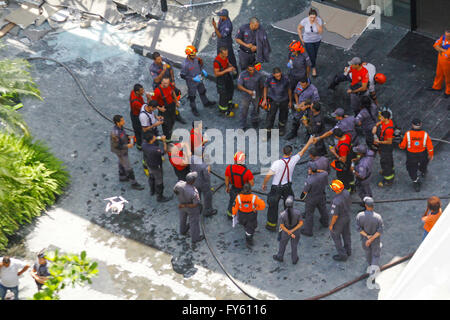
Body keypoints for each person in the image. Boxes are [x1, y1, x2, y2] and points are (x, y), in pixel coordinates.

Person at [262, 137, 314, 231]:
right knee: (289, 205)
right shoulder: (293, 160)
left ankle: (271, 225)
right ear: (291, 153)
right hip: (287, 187)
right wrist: (309, 142)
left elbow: (268, 176)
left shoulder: (276, 163)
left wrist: (264, 184)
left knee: (273, 206)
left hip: (276, 187)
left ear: (283, 151)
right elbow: (302, 151)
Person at [149, 52, 186, 124]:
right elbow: (156, 80)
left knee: (176, 93)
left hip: (169, 84)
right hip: (160, 87)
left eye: (160, 58)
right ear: (154, 60)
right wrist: (163, 70)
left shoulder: (164, 60)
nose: (160, 60)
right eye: (158, 59)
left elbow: (171, 70)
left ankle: (176, 114)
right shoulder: (152, 68)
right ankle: (163, 117)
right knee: (162, 103)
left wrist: (172, 80)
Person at [110, 115, 144, 190]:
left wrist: (128, 137)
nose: (124, 121)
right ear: (118, 123)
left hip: (123, 150)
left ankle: (122, 176)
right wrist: (127, 146)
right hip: (120, 151)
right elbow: (117, 146)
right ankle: (134, 183)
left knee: (121, 162)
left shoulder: (120, 127)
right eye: (122, 120)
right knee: (128, 167)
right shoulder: (115, 133)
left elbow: (123, 134)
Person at [398, 118, 434, 192]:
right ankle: (423, 171)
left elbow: (402, 146)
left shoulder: (408, 134)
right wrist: (431, 155)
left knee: (411, 168)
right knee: (424, 163)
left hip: (411, 155)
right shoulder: (425, 134)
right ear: (420, 124)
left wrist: (400, 143)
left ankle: (415, 181)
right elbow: (430, 147)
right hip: (422, 154)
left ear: (412, 125)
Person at [180, 45, 216, 116]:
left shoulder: (196, 59)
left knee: (202, 91)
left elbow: (200, 66)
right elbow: (183, 76)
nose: (194, 56)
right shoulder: (185, 65)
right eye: (193, 55)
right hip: (191, 84)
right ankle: (194, 109)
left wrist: (202, 70)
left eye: (195, 54)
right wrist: (192, 78)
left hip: (199, 80)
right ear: (188, 54)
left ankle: (206, 103)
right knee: (192, 97)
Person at [173, 172, 205, 245]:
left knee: (182, 218)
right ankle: (195, 238)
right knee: (194, 222)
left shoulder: (179, 184)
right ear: (193, 181)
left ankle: (183, 231)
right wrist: (186, 205)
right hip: (191, 208)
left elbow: (175, 191)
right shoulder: (194, 192)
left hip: (181, 205)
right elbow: (195, 204)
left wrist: (182, 203)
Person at [286, 75, 320, 141]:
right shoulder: (299, 84)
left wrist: (306, 106)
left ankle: (308, 135)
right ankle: (293, 132)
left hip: (309, 108)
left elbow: (316, 102)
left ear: (307, 83)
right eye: (301, 85)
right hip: (300, 106)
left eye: (304, 85)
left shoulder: (313, 89)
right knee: (296, 119)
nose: (302, 86)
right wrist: (297, 103)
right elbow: (295, 93)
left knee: (309, 121)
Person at [299, 162, 329, 237]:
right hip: (321, 196)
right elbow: (325, 172)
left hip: (312, 199)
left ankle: (308, 231)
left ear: (310, 170)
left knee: (309, 214)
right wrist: (317, 171)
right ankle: (325, 223)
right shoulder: (323, 175)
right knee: (323, 209)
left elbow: (305, 192)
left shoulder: (309, 180)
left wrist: (302, 197)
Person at [232, 183, 266, 248]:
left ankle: (247, 231)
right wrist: (256, 208)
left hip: (242, 215)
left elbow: (235, 207)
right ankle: (249, 240)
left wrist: (234, 215)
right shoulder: (254, 197)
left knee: (245, 225)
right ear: (250, 189)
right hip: (251, 215)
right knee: (250, 229)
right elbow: (263, 206)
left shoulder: (238, 197)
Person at [261, 67, 292, 137]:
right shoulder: (269, 78)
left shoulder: (286, 79)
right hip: (273, 100)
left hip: (284, 100)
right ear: (273, 74)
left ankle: (281, 129)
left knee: (283, 116)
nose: (278, 77)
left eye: (280, 75)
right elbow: (265, 87)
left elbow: (289, 90)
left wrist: (290, 101)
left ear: (281, 73)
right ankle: (268, 133)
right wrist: (264, 99)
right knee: (270, 116)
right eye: (277, 76)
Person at [142, 132, 172, 202]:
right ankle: (160, 197)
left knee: (151, 177)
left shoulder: (144, 144)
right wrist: (164, 141)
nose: (155, 137)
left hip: (149, 164)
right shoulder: (155, 149)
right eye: (153, 137)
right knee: (159, 181)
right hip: (156, 166)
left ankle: (152, 191)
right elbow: (164, 151)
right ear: (151, 140)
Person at [273, 196, 303, 264]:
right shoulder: (298, 212)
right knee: (294, 245)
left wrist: (288, 232)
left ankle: (280, 257)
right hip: (295, 232)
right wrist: (292, 231)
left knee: (282, 244)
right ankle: (294, 259)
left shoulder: (282, 215)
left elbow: (282, 226)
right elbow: (301, 223)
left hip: (286, 232)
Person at [225, 151, 255, 219]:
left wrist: (227, 187)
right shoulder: (247, 172)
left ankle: (230, 215)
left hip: (233, 189)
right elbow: (252, 184)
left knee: (232, 201)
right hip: (243, 191)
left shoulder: (229, 168)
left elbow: (226, 180)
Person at [356, 197, 384, 267]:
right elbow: (380, 231)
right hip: (375, 240)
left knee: (368, 252)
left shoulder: (360, 216)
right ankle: (373, 272)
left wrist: (367, 236)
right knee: (375, 255)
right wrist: (371, 239)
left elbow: (358, 229)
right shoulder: (378, 217)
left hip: (365, 240)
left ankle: (370, 265)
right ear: (373, 206)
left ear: (365, 205)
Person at [328, 180, 352, 261]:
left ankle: (342, 255)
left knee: (336, 236)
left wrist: (331, 225)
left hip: (339, 221)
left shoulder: (336, 201)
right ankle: (348, 250)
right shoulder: (346, 193)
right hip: (347, 216)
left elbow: (335, 216)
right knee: (346, 234)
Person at [237, 63, 265, 130]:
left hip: (256, 94)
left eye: (253, 70)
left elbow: (262, 86)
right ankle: (242, 125)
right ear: (247, 69)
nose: (251, 71)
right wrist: (247, 91)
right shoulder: (242, 75)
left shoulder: (259, 75)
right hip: (246, 95)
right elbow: (239, 86)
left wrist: (263, 96)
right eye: (250, 70)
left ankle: (254, 120)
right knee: (244, 110)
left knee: (256, 108)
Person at [151, 77, 180, 141]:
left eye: (167, 83)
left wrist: (176, 102)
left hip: (172, 107)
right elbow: (152, 102)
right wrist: (159, 108)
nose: (166, 84)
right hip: (164, 109)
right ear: (161, 82)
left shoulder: (170, 86)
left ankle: (170, 134)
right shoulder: (157, 91)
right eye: (164, 83)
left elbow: (173, 93)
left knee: (172, 121)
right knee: (166, 124)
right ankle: (167, 139)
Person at [297, 8, 323, 77]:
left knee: (314, 54)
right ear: (308, 16)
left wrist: (316, 23)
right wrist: (301, 38)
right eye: (311, 17)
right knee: (312, 55)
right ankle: (313, 67)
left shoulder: (319, 20)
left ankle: (309, 62)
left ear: (316, 17)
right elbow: (299, 28)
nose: (312, 19)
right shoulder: (304, 21)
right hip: (308, 41)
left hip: (317, 40)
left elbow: (320, 32)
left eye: (314, 17)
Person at [328, 128, 355, 192]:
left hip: (345, 162)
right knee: (350, 174)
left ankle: (348, 191)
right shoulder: (348, 135)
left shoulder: (342, 147)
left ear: (336, 136)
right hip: (349, 156)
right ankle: (353, 187)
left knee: (343, 177)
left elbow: (343, 160)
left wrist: (334, 152)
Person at [373, 111, 395, 187]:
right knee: (389, 160)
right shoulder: (387, 122)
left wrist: (379, 142)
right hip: (385, 147)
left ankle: (388, 180)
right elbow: (380, 123)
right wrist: (376, 126)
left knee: (385, 162)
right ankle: (391, 169)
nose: (380, 118)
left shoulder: (389, 130)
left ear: (385, 118)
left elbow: (389, 142)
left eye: (381, 117)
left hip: (386, 147)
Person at [214, 47, 237, 116]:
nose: (226, 55)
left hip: (227, 77)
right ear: (220, 53)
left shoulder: (225, 57)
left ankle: (229, 104)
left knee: (230, 90)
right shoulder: (217, 61)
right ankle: (223, 110)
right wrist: (227, 70)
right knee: (223, 95)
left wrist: (231, 66)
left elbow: (227, 62)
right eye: (225, 54)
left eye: (227, 54)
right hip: (221, 79)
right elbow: (216, 74)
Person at [428, 28, 450, 98]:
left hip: (448, 63)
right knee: (439, 74)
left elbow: (447, 54)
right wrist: (442, 50)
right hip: (440, 60)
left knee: (448, 77)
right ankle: (436, 86)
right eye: (445, 35)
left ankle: (448, 91)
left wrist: (440, 49)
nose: (446, 37)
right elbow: (435, 45)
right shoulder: (443, 37)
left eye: (448, 36)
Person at [129, 83, 153, 150]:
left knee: (138, 131)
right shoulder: (135, 102)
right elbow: (147, 109)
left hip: (134, 113)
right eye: (141, 91)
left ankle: (139, 144)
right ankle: (140, 145)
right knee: (140, 131)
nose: (143, 91)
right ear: (137, 92)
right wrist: (149, 99)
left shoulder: (133, 92)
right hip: (137, 117)